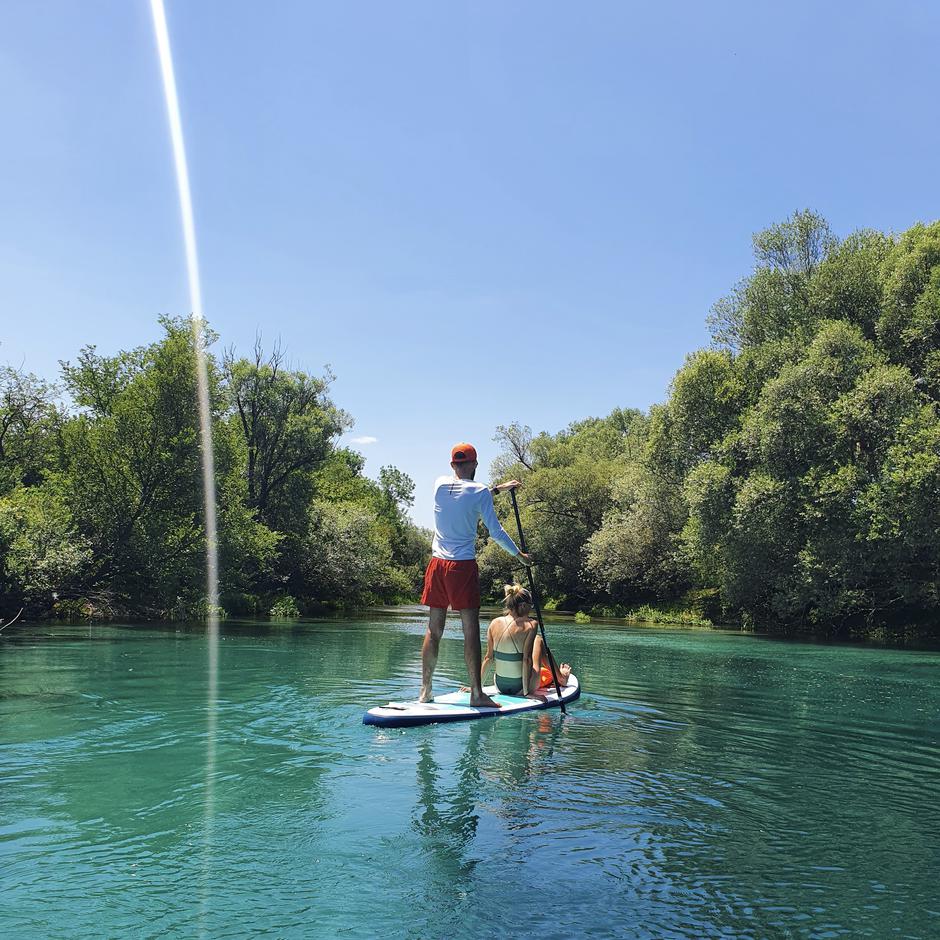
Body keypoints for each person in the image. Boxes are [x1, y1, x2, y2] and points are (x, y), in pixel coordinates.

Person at [419, 442, 532, 707]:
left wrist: (496, 489)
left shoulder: (438, 485)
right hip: (462, 566)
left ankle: (425, 691)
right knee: (470, 630)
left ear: (451, 465)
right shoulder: (480, 491)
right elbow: (496, 531)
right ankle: (477, 694)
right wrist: (519, 556)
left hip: (437, 564)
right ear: (475, 464)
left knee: (433, 630)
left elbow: (464, 493)